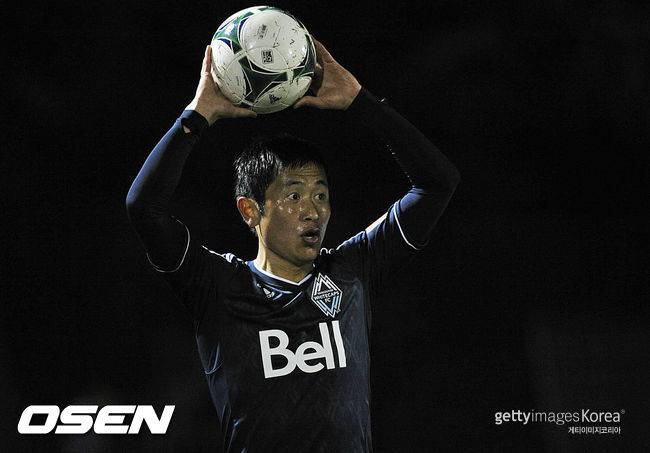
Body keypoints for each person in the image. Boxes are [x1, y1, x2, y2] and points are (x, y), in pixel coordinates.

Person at [126, 39, 460, 452]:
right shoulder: (216, 286)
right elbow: (143, 208)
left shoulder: (352, 270)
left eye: (321, 195)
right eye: (294, 195)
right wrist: (196, 117)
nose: (313, 211)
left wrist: (361, 102)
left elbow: (438, 183)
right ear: (251, 210)